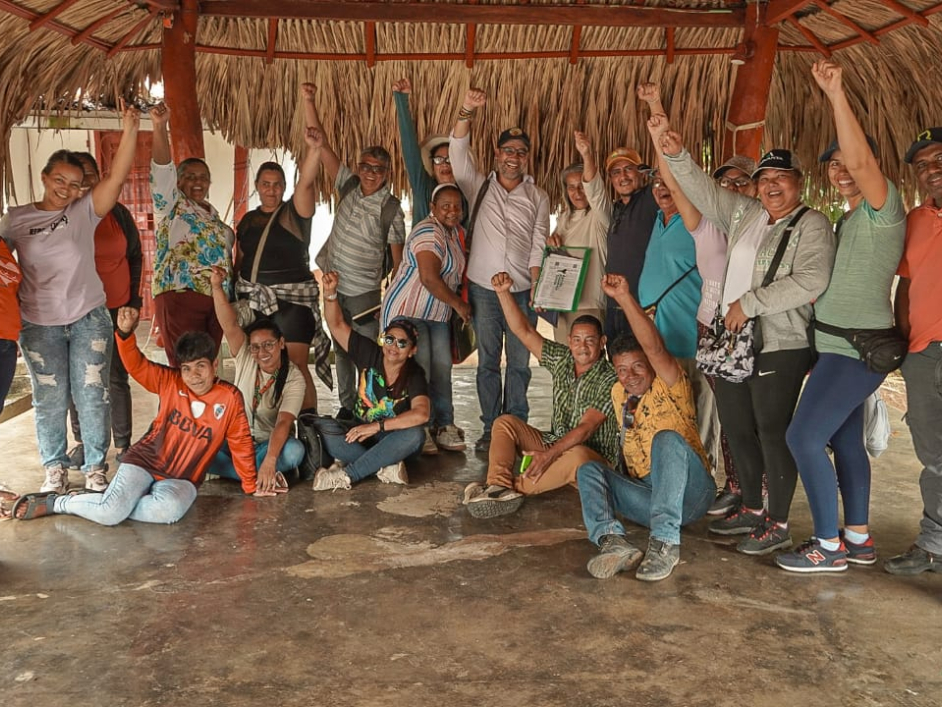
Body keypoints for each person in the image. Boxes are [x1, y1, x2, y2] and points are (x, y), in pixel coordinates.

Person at [661, 130, 836, 557]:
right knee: (738, 429)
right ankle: (753, 509)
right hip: (735, 343)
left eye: (782, 177)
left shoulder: (811, 223)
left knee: (771, 432)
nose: (772, 185)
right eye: (764, 178)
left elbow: (813, 279)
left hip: (781, 342)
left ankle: (778, 522)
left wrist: (749, 303)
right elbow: (701, 189)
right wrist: (677, 154)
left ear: (800, 182)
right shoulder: (745, 214)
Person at [777, 61, 906, 573]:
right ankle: (857, 539)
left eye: (849, 161)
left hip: (856, 348)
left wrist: (835, 92)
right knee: (842, 438)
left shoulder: (883, 205)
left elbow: (862, 161)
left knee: (802, 437)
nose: (842, 168)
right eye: (832, 165)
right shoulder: (846, 219)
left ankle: (826, 547)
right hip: (836, 346)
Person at [12, 307, 265, 525]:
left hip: (183, 478)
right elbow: (138, 366)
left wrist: (251, 486)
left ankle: (106, 503)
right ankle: (60, 503)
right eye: (186, 368)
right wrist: (124, 335)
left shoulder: (229, 397)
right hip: (145, 461)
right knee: (110, 515)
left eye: (201, 366)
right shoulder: (170, 380)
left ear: (214, 366)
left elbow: (241, 443)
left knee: (168, 512)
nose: (194, 375)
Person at [0, 103, 141, 495]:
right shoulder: (17, 220)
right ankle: (55, 469)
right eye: (59, 180)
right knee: (50, 398)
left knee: (92, 393)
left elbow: (115, 178)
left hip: (87, 317)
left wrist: (130, 129)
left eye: (76, 184)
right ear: (45, 177)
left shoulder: (84, 212)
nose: (67, 189)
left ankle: (96, 467)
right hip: (38, 322)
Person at [576, 274, 716, 582]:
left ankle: (666, 543)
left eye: (638, 366)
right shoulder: (617, 393)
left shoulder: (670, 384)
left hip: (692, 494)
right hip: (649, 497)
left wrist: (624, 297)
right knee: (588, 471)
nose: (630, 376)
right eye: (622, 370)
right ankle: (613, 542)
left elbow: (654, 348)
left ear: (651, 366)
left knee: (665, 439)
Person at [462, 271, 619, 519]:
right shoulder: (562, 359)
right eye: (577, 340)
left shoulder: (610, 377)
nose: (583, 346)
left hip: (592, 459)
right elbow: (524, 332)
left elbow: (585, 430)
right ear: (569, 341)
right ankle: (498, 484)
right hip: (555, 442)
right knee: (504, 423)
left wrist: (548, 456)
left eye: (590, 340)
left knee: (577, 455)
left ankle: (513, 488)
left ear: (602, 343)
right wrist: (503, 293)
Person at [449, 88, 550, 453]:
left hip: (522, 290)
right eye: (508, 150)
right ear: (497, 154)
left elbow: (540, 242)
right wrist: (467, 110)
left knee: (521, 363)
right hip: (483, 291)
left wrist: (537, 286)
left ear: (527, 158)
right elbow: (457, 153)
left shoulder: (538, 197)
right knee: (488, 363)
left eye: (520, 152)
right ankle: (492, 430)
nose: (514, 157)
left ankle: (517, 428)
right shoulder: (478, 186)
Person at [305, 83, 407, 413]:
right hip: (336, 288)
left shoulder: (391, 208)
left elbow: (397, 263)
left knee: (363, 352)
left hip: (364, 295)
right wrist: (309, 100)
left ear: (387, 173)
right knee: (341, 349)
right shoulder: (348, 185)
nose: (370, 174)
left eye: (378, 169)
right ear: (358, 167)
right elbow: (321, 147)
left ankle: (368, 407)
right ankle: (347, 408)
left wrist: (388, 301)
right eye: (365, 166)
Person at [233, 119, 333, 412]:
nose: (271, 190)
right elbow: (241, 260)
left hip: (293, 302)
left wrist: (314, 151)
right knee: (258, 366)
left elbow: (306, 183)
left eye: (277, 185)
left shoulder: (294, 213)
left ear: (284, 188)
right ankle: (266, 425)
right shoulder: (248, 220)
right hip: (254, 300)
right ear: (257, 187)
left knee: (297, 366)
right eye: (266, 184)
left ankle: (311, 426)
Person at [884, 127, 942, 576]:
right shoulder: (918, 220)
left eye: (938, 158)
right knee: (933, 456)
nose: (931, 170)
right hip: (923, 353)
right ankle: (933, 543)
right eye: (921, 165)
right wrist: (906, 343)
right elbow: (905, 285)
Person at [312, 271, 429, 491]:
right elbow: (337, 325)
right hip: (360, 432)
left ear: (412, 350)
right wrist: (330, 293)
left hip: (394, 440)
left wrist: (378, 426)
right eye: (389, 339)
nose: (393, 347)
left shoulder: (414, 374)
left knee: (415, 435)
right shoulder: (370, 353)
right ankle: (385, 468)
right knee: (325, 427)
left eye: (402, 343)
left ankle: (348, 474)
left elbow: (421, 413)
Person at [66, 151, 143, 468]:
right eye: (78, 178)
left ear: (101, 178)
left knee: (115, 377)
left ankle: (124, 446)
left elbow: (135, 257)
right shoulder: (63, 216)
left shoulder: (119, 214)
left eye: (90, 176)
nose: (85, 184)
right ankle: (83, 443)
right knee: (78, 381)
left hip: (116, 308)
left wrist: (134, 300)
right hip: (75, 310)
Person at [381, 184, 470, 453]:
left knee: (442, 369)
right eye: (445, 206)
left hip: (436, 313)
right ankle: (417, 428)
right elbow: (430, 278)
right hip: (409, 312)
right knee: (421, 370)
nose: (452, 211)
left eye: (457, 206)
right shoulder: (429, 231)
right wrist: (460, 306)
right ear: (433, 208)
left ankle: (443, 425)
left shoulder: (456, 234)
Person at [150, 102, 234, 366]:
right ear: (178, 181)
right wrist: (159, 127)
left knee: (207, 368)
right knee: (186, 368)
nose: (198, 182)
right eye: (190, 176)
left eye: (203, 177)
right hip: (180, 296)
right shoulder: (171, 207)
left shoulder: (215, 219)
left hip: (216, 302)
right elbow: (162, 171)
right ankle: (182, 409)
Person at [208, 266, 306, 488]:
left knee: (294, 452)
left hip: (266, 445)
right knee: (197, 446)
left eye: (268, 345)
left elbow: (283, 422)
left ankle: (248, 472)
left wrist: (270, 461)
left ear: (281, 344)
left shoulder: (293, 377)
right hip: (234, 442)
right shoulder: (246, 356)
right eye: (255, 347)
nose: (261, 353)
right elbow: (229, 324)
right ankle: (254, 476)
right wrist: (216, 287)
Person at [706, 156, 759, 515]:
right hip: (714, 329)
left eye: (743, 182)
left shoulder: (764, 222)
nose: (734, 189)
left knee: (758, 417)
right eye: (726, 184)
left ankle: (760, 493)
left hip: (756, 329)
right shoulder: (708, 225)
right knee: (731, 414)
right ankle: (735, 485)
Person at [587, 90, 661, 342]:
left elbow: (670, 166)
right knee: (621, 370)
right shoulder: (616, 209)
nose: (623, 176)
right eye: (616, 172)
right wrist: (586, 155)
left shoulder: (651, 199)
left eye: (629, 169)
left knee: (644, 366)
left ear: (641, 173)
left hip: (643, 304)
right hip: (614, 304)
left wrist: (653, 105)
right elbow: (593, 192)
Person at [546, 131, 610, 341]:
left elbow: (596, 191)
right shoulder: (564, 219)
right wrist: (551, 245)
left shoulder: (600, 217)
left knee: (590, 365)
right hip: (562, 306)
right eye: (571, 187)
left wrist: (587, 155)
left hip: (590, 306)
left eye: (582, 186)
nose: (578, 192)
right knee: (566, 367)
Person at [392, 77, 468, 228]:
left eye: (450, 159)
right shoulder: (424, 187)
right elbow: (410, 149)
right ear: (432, 167)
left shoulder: (467, 192)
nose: (445, 164)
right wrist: (401, 100)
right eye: (439, 160)